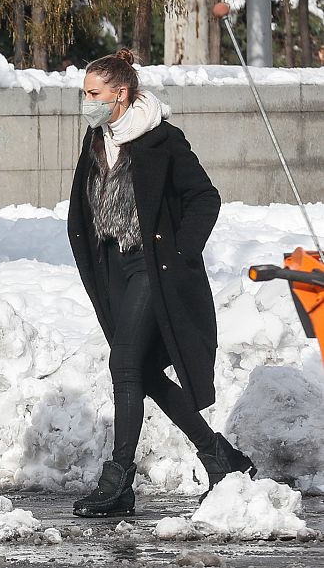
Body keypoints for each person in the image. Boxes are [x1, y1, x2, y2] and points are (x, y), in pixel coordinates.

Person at [66, 48, 256, 518]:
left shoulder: (162, 140)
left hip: (152, 266)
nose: (86, 101)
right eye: (84, 93)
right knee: (142, 371)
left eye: (94, 93)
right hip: (113, 265)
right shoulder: (98, 138)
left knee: (125, 362)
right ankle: (220, 457)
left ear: (122, 93)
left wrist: (179, 252)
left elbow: (204, 198)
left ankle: (119, 480)